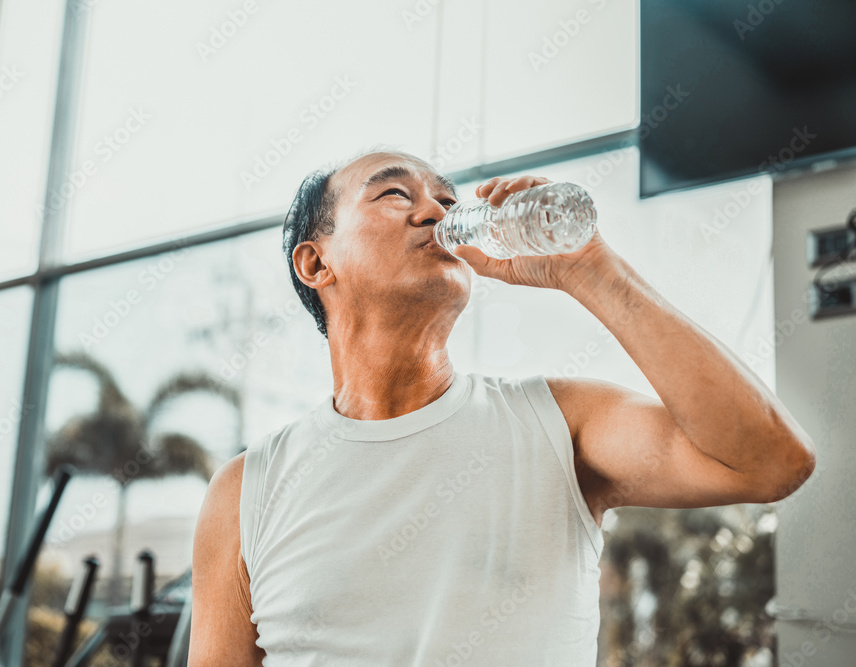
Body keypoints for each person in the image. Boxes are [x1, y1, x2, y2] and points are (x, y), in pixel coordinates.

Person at [187, 149, 816, 666]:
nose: (434, 210)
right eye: (395, 195)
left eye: (445, 199)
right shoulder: (246, 490)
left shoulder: (557, 424)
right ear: (316, 261)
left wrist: (593, 271)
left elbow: (771, 461)